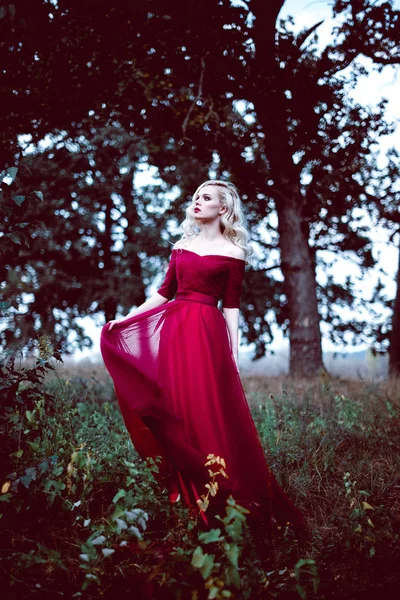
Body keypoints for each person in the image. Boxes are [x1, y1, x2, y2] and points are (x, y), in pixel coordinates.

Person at [100, 180, 304, 534]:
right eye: (195, 197)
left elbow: (233, 309)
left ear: (222, 209)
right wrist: (128, 319)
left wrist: (233, 357)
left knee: (206, 411)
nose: (197, 202)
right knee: (176, 409)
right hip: (176, 336)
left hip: (207, 337)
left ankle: (224, 492)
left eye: (206, 198)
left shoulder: (234, 253)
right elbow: (163, 294)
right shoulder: (182, 247)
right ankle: (188, 492)